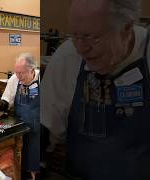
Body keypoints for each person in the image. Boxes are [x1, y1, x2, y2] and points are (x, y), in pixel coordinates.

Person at [42, 0, 150, 179]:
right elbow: (46, 129)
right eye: (75, 36)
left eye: (91, 37)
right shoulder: (67, 58)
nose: (81, 47)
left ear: (126, 28)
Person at [0, 52, 40, 180]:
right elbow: (6, 101)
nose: (17, 76)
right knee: (20, 158)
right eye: (16, 72)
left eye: (21, 73)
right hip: (20, 126)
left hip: (38, 128)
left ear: (32, 70)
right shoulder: (14, 79)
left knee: (35, 159)